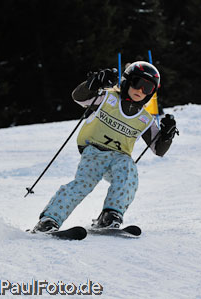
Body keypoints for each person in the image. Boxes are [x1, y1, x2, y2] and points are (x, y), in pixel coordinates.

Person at [32, 61, 178, 233]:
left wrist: (167, 135)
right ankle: (50, 219)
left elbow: (158, 149)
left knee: (128, 171)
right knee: (84, 183)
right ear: (127, 81)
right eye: (138, 84)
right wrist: (93, 84)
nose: (140, 91)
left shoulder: (145, 119)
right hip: (94, 151)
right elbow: (79, 97)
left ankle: (110, 215)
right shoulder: (107, 98)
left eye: (148, 89)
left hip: (119, 157)